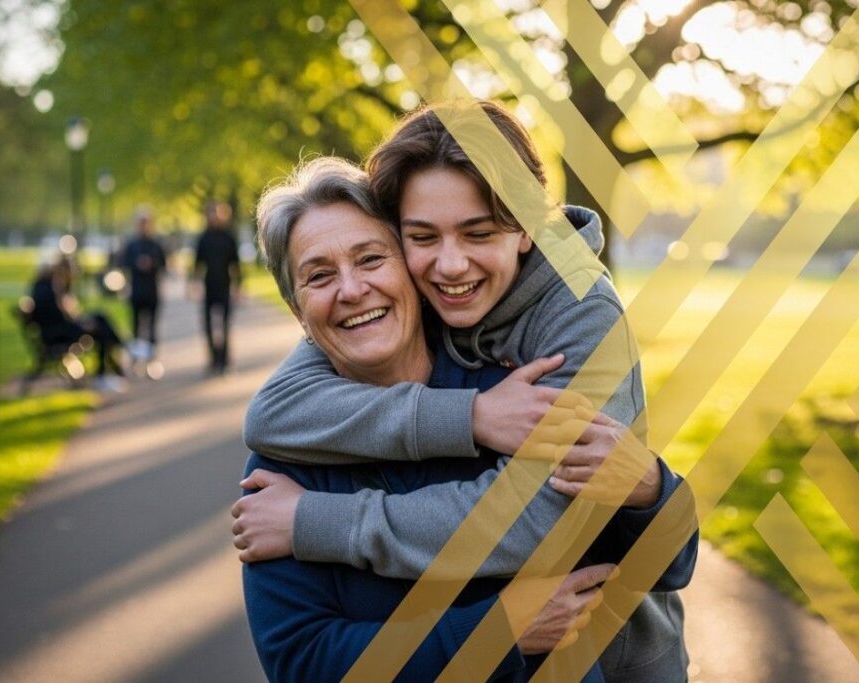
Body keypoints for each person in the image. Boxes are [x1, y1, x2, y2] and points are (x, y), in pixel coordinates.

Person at [239, 101, 698, 681]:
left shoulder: (546, 354)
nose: (450, 266)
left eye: (478, 232)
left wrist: (314, 521)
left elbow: (564, 524)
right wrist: (471, 416)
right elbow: (268, 416)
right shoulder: (304, 434)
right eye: (423, 236)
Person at [29, 256, 127, 391]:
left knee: (100, 317)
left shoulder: (47, 286)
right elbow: (59, 317)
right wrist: (81, 324)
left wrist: (79, 320)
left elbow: (64, 312)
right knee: (101, 331)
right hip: (58, 334)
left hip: (62, 328)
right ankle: (107, 368)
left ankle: (116, 355)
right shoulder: (46, 290)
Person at [193, 201, 240, 373]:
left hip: (225, 286)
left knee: (226, 325)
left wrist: (238, 287)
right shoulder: (203, 238)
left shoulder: (228, 237)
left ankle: (225, 360)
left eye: (217, 213)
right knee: (208, 325)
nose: (214, 217)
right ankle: (213, 359)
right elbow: (197, 263)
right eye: (211, 213)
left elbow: (236, 264)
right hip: (209, 286)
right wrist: (195, 284)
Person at [121, 208, 167, 360]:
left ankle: (151, 357)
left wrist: (151, 264)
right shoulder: (132, 245)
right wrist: (137, 264)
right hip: (136, 291)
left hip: (152, 291)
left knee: (152, 327)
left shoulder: (156, 245)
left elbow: (163, 265)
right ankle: (136, 357)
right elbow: (124, 263)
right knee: (136, 327)